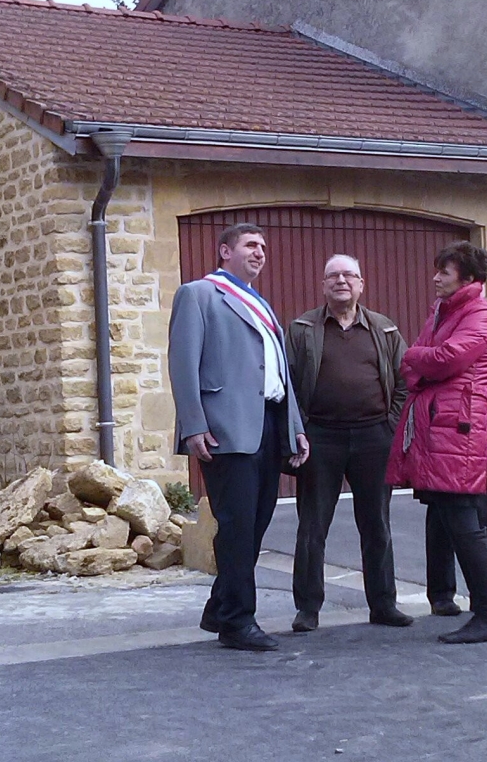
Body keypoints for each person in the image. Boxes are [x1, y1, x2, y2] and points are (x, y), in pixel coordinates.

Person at [168, 223, 309, 652]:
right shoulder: (199, 294)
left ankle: (219, 607)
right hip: (225, 429)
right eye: (251, 245)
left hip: (268, 423)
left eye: (264, 246)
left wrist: (295, 426)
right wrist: (193, 425)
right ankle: (237, 622)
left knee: (257, 522)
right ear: (224, 251)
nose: (260, 253)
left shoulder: (261, 305)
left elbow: (278, 373)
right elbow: (182, 363)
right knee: (236, 526)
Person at [386, 241, 487, 645]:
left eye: (445, 272)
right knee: (451, 515)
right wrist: (422, 360)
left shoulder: (480, 314)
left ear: (468, 278)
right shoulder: (444, 311)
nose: (435, 277)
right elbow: (415, 363)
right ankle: (475, 605)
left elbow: (445, 359)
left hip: (457, 430)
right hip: (438, 426)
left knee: (464, 521)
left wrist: (419, 357)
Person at [286, 254, 412, 632]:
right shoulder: (301, 328)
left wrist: (390, 425)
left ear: (361, 283)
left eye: (348, 275)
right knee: (312, 525)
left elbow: (405, 378)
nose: (341, 281)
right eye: (333, 276)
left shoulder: (385, 329)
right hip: (321, 437)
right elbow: (287, 382)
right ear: (324, 286)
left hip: (374, 436)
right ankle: (308, 608)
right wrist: (300, 428)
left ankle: (383, 604)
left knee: (377, 524)